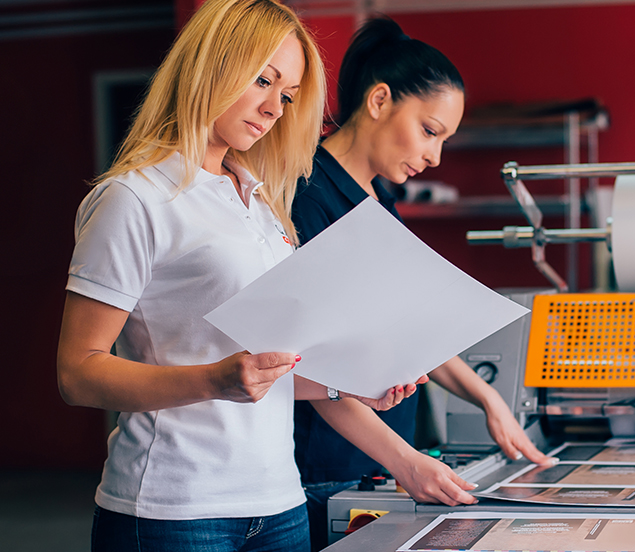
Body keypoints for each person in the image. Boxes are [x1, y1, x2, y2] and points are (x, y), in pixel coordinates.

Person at [55, 1, 424, 549]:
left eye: (288, 95)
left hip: (279, 504)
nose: (276, 107)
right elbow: (77, 374)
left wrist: (348, 385)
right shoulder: (134, 198)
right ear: (211, 64)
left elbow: (258, 377)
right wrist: (212, 380)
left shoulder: (259, 202)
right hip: (174, 511)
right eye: (263, 80)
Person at [291, 16, 553, 551]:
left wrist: (489, 400)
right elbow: (308, 366)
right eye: (430, 131)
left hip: (382, 462)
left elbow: (409, 328)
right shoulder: (309, 197)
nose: (435, 156)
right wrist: (405, 463)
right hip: (325, 469)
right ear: (380, 100)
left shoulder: (380, 200)